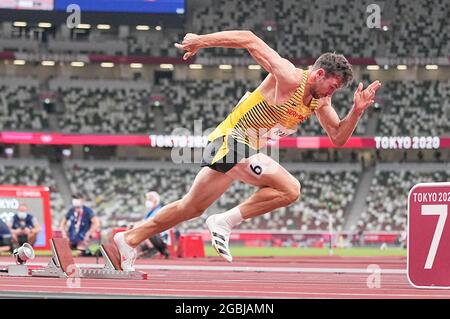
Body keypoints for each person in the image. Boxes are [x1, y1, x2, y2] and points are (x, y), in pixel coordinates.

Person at [114, 30, 381, 270]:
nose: (331, 93)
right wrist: (199, 42)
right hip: (230, 140)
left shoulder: (320, 101)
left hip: (240, 151)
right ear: (319, 73)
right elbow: (249, 38)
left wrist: (356, 112)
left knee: (190, 207)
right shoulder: (289, 76)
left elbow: (337, 137)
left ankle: (128, 239)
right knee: (290, 189)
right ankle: (224, 222)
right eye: (332, 86)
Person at [135, 192, 170, 259]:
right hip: (155, 236)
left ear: (155, 200)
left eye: (150, 199)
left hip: (160, 239)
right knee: (135, 227)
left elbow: (149, 223)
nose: (148, 201)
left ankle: (152, 248)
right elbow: (144, 221)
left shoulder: (159, 210)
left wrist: (136, 225)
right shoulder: (150, 212)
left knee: (140, 227)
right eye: (147, 199)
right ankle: (146, 249)